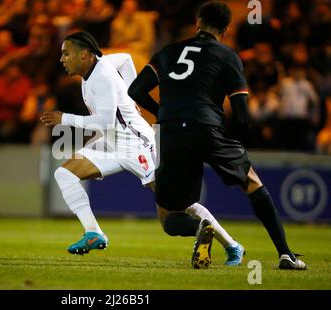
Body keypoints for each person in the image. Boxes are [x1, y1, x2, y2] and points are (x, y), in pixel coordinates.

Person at [41, 31, 244, 268]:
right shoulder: (102, 64)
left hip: (137, 144)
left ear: (84, 55)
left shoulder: (102, 75)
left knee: (179, 206)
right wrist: (130, 95)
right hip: (111, 143)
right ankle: (93, 233)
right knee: (65, 173)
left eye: (66, 53)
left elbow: (105, 121)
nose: (61, 59)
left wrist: (64, 118)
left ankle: (232, 245)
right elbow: (126, 59)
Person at [128, 1, 306, 270]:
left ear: (197, 22)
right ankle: (285, 255)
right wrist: (227, 140)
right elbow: (243, 116)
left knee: (169, 218)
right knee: (252, 183)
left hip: (172, 132)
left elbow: (136, 90)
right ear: (226, 28)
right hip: (207, 128)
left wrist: (163, 112)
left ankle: (203, 225)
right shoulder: (227, 56)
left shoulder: (168, 52)